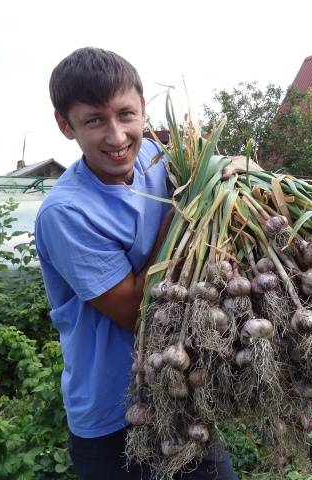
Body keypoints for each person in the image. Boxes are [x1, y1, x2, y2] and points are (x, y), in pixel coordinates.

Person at [35, 47, 238, 480]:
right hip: (116, 417)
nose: (116, 136)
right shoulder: (67, 213)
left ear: (143, 110)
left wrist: (237, 173)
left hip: (181, 389)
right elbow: (134, 311)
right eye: (94, 120)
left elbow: (212, 173)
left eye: (126, 114)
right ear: (65, 125)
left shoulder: (154, 157)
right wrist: (179, 223)